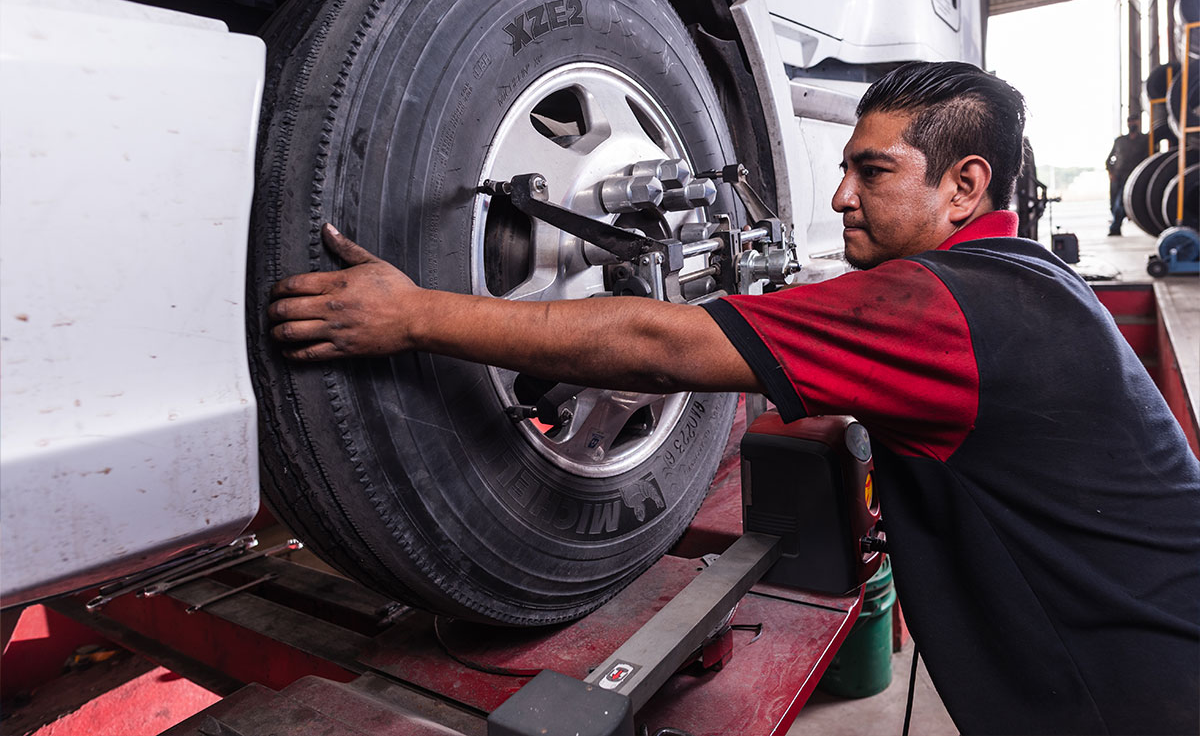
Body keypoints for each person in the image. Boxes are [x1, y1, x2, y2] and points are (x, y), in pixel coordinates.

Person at [269, 61, 1200, 735]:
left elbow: (657, 345)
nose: (839, 196)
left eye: (872, 171)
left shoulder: (945, 307)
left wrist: (415, 315)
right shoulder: (1026, 276)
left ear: (965, 186)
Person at [1105, 114, 1145, 235]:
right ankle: (1116, 225)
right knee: (1113, 204)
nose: (1132, 124)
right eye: (1130, 121)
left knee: (1121, 203)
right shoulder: (1120, 141)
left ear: (1139, 123)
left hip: (1131, 177)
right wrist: (1111, 173)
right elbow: (1109, 159)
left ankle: (1115, 227)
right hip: (1116, 176)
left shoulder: (1144, 140)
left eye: (1135, 121)